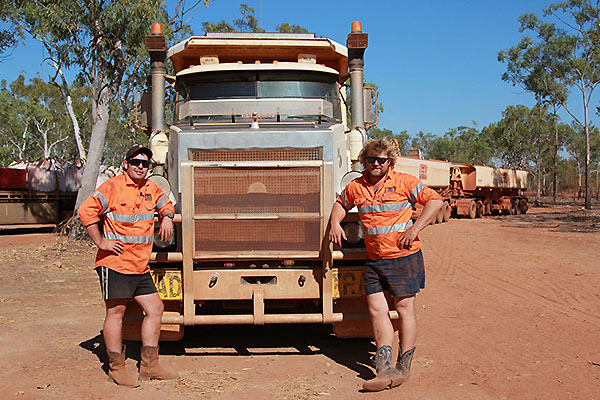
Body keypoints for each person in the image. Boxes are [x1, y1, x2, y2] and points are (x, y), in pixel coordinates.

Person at [328, 139, 443, 392]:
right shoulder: (356, 186)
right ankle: (383, 368)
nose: (376, 164)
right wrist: (335, 223)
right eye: (372, 159)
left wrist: (415, 228)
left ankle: (404, 366)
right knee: (376, 310)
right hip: (375, 260)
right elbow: (340, 204)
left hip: (404, 257)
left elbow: (435, 201)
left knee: (404, 309)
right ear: (364, 161)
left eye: (382, 160)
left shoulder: (404, 182)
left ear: (389, 161)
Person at [78, 144, 177, 387]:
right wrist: (101, 242)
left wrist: (167, 217)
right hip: (115, 263)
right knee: (116, 313)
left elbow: (167, 204)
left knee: (155, 308)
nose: (140, 167)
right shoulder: (112, 187)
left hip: (140, 266)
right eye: (136, 162)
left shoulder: (151, 189)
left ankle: (149, 366)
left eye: (145, 163)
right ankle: (116, 367)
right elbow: (86, 211)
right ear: (126, 164)